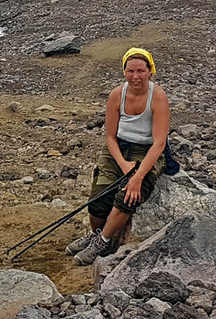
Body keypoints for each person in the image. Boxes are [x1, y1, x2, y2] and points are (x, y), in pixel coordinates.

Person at [66, 47, 170, 266]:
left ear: (150, 71)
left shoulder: (158, 96)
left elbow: (159, 143)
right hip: (118, 149)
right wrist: (124, 165)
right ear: (124, 71)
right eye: (130, 71)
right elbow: (110, 137)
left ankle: (104, 241)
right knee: (98, 198)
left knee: (128, 196)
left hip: (147, 150)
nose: (135, 76)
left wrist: (138, 176)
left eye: (141, 71)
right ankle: (95, 234)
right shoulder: (116, 95)